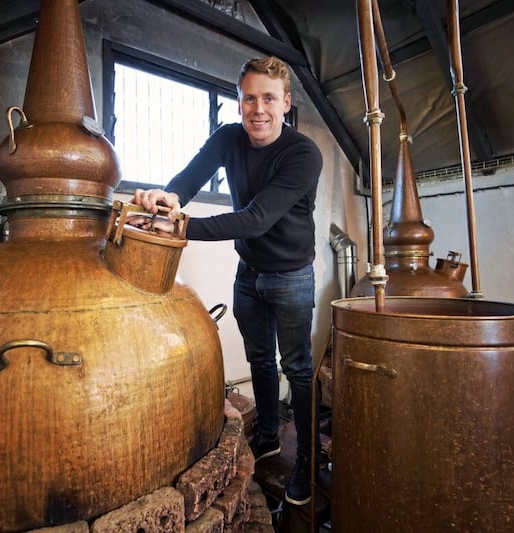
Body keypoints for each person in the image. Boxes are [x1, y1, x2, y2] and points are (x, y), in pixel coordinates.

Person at [130, 55, 322, 506]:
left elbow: (255, 219)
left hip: (293, 275)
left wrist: (180, 228)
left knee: (296, 368)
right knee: (259, 359)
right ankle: (270, 436)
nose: (259, 108)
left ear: (286, 103)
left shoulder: (303, 154)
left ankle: (308, 461)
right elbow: (190, 179)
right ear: (239, 103)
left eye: (269, 99)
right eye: (250, 98)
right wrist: (166, 197)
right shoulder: (228, 138)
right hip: (248, 272)